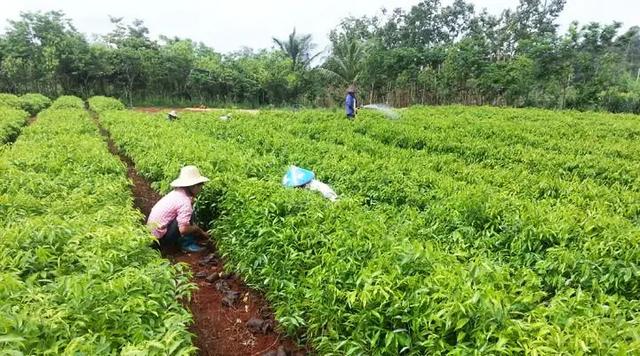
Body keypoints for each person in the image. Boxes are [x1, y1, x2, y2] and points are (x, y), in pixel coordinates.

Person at [147, 165, 210, 253]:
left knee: (187, 214)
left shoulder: (176, 193)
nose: (201, 189)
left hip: (152, 237)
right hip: (160, 240)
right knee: (187, 217)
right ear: (193, 186)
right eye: (200, 186)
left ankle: (181, 242)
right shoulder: (184, 201)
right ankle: (187, 244)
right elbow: (183, 229)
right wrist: (197, 229)